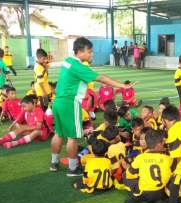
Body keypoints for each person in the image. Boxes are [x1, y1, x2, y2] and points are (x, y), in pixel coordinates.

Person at [49, 37, 127, 176]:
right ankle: (73, 169)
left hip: (57, 101)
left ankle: (54, 163)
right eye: (89, 52)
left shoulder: (68, 61)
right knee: (73, 137)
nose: (92, 54)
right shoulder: (79, 67)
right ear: (80, 52)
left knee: (59, 133)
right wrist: (122, 86)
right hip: (69, 102)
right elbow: (102, 78)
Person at [125, 129, 173, 203]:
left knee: (126, 175)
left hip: (144, 193)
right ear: (159, 144)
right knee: (159, 195)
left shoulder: (140, 157)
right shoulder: (167, 158)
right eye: (163, 142)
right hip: (160, 192)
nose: (164, 144)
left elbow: (130, 173)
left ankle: (135, 199)